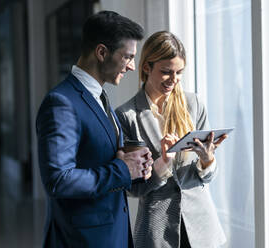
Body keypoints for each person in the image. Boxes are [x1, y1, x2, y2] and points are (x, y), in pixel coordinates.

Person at [36, 11, 153, 248]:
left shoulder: (100, 96)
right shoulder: (61, 102)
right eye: (127, 57)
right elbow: (59, 180)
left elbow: (98, 158)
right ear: (101, 52)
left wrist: (136, 165)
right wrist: (122, 169)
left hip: (111, 234)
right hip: (82, 240)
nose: (131, 66)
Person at [115, 31, 228, 248]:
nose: (174, 80)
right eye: (166, 72)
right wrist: (163, 163)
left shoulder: (193, 104)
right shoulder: (126, 115)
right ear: (147, 67)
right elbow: (132, 189)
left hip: (201, 227)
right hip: (156, 231)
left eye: (179, 73)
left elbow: (206, 176)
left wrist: (207, 161)